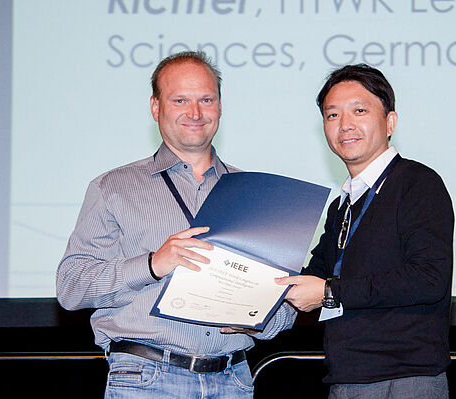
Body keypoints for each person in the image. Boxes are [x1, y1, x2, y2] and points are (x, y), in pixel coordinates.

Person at [57, 51, 296, 398]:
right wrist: (153, 264)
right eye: (180, 100)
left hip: (235, 379)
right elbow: (71, 287)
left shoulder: (257, 194)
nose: (195, 113)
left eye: (206, 100)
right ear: (156, 107)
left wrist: (258, 317)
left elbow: (285, 310)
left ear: (219, 106)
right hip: (147, 379)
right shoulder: (113, 187)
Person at [276, 64, 454, 398]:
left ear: (390, 122)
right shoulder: (342, 206)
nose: (345, 125)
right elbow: (312, 276)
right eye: (332, 115)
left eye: (359, 110)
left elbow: (429, 278)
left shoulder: (417, 183)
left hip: (405, 380)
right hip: (347, 378)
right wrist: (246, 305)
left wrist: (331, 292)